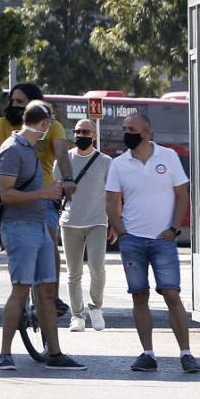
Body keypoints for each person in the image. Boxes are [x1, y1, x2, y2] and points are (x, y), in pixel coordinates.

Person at [0, 100, 85, 372]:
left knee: (46, 290)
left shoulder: (29, 148)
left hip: (39, 226)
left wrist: (50, 190)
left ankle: (55, 353)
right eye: (51, 123)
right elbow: (7, 194)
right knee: (21, 289)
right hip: (20, 226)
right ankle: (4, 354)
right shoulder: (12, 149)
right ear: (44, 124)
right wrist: (44, 193)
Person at [106, 112, 199, 374]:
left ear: (147, 132)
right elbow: (111, 201)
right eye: (124, 128)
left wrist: (173, 228)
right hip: (132, 241)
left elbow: (182, 194)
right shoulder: (119, 164)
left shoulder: (168, 157)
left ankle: (186, 353)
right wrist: (122, 233)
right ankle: (147, 354)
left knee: (171, 294)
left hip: (163, 241)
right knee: (139, 295)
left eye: (131, 128)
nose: (126, 133)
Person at [0, 82, 75, 317]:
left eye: (20, 102)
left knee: (48, 235)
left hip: (44, 193)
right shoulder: (4, 125)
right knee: (17, 244)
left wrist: (68, 179)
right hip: (12, 196)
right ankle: (21, 292)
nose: (14, 106)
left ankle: (53, 295)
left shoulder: (51, 126)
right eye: (12, 101)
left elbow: (62, 154)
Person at [59, 117, 113, 333]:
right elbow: (56, 186)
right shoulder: (65, 159)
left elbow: (113, 195)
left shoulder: (106, 161)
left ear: (95, 135)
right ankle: (77, 316)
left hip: (97, 222)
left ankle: (96, 307)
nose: (81, 136)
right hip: (70, 222)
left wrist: (115, 222)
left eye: (86, 132)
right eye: (78, 132)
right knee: (73, 272)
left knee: (97, 268)